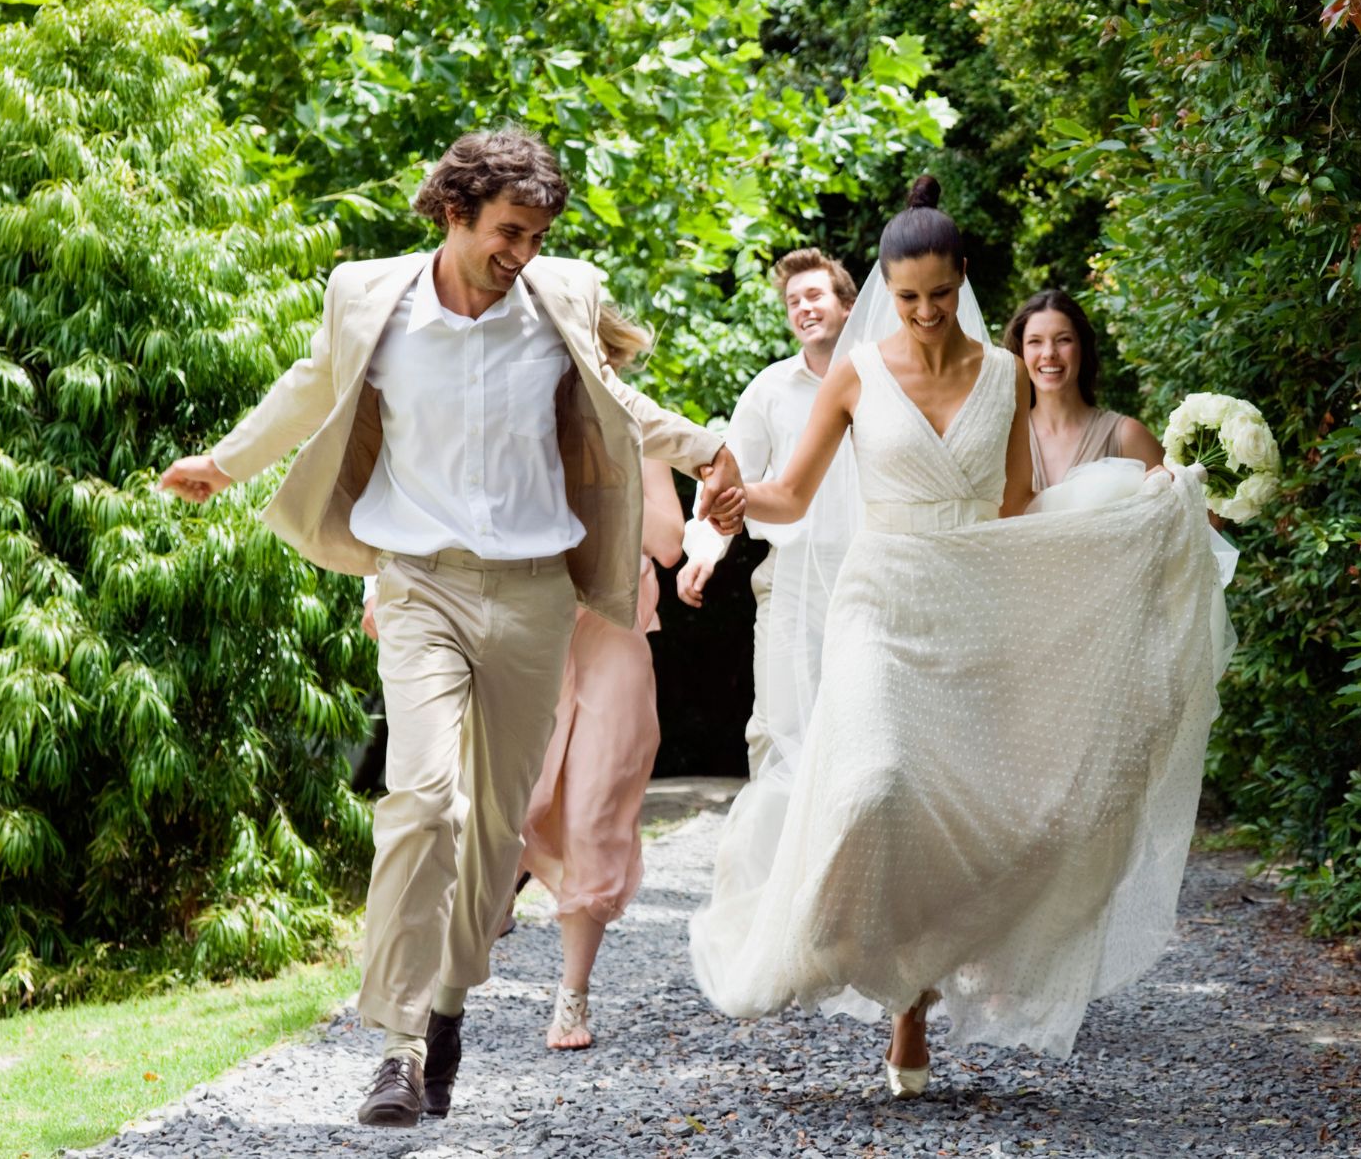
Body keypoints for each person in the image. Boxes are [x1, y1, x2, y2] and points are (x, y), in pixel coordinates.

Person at [158, 128, 744, 1129]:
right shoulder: (368, 297)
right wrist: (226, 462)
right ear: (453, 211)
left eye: (537, 233)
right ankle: (392, 1044)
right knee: (420, 798)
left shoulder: (557, 295)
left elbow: (617, 398)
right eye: (508, 232)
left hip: (531, 594)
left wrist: (707, 448)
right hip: (419, 580)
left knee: (491, 828)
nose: (522, 251)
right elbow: (311, 386)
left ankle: (446, 1008)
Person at [688, 176, 1232, 1099]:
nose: (927, 312)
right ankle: (825, 937)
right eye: (907, 299)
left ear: (964, 279)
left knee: (957, 808)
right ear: (885, 294)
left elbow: (1019, 505)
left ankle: (910, 1012)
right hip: (882, 599)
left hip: (971, 599)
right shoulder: (858, 373)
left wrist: (1125, 527)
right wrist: (739, 506)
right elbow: (793, 494)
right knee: (880, 782)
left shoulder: (1004, 373)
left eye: (941, 294)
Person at [516, 305, 684, 1051]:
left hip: (614, 639)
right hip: (532, 638)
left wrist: (616, 457)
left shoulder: (638, 426)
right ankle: (471, 933)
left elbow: (670, 544)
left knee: (594, 815)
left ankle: (572, 998)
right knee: (506, 804)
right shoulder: (511, 419)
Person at [676, 248, 858, 776]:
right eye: (792, 301)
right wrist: (705, 551)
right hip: (793, 582)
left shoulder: (886, 381)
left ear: (847, 305)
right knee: (780, 725)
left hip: (872, 576)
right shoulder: (769, 389)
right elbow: (730, 474)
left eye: (815, 296)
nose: (803, 308)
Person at [1002, 291, 1164, 489]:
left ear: (1082, 347)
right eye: (1035, 341)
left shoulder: (1125, 435)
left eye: (1063, 339)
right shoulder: (1005, 439)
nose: (1049, 353)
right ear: (1021, 352)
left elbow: (1200, 512)